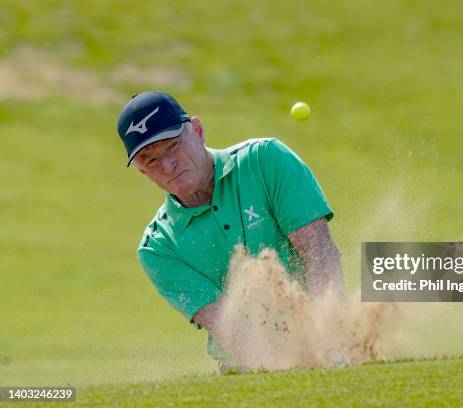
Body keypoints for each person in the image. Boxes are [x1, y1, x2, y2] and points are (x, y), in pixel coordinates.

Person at [116, 91, 344, 371]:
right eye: (150, 160)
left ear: (197, 131)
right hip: (251, 369)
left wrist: (329, 338)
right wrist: (293, 362)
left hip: (330, 343)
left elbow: (319, 252)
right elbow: (231, 327)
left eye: (172, 146)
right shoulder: (158, 248)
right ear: (142, 172)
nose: (167, 165)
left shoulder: (265, 159)